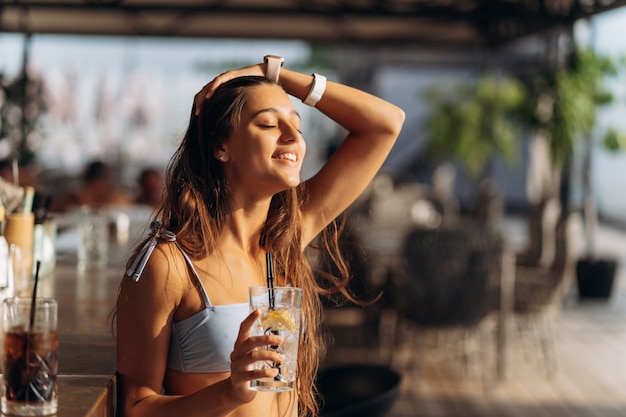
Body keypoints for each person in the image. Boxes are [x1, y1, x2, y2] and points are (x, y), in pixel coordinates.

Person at [115, 56, 405, 417]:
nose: (292, 137)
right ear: (222, 147)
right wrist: (231, 392)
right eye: (268, 123)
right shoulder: (170, 265)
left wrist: (274, 73)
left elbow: (386, 124)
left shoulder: (285, 240)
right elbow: (135, 408)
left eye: (296, 126)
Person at [50, 160, 132, 212]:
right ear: (93, 181)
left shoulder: (109, 199)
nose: (109, 184)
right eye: (106, 179)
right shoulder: (72, 200)